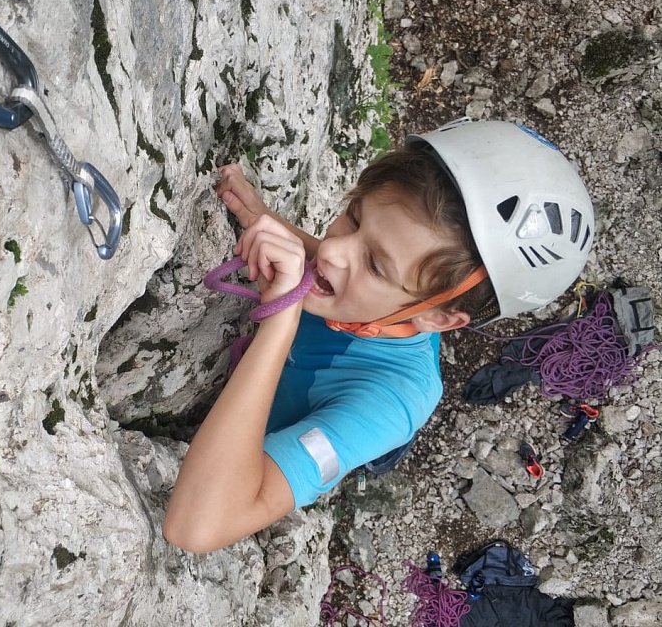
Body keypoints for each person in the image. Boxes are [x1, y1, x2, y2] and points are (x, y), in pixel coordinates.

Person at [163, 119, 595, 553]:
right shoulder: (370, 288)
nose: (332, 250)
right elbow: (331, 255)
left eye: (375, 265)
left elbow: (197, 528)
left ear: (440, 319)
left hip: (345, 421)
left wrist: (281, 321)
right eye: (353, 218)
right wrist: (262, 216)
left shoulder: (390, 404)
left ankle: (382, 457)